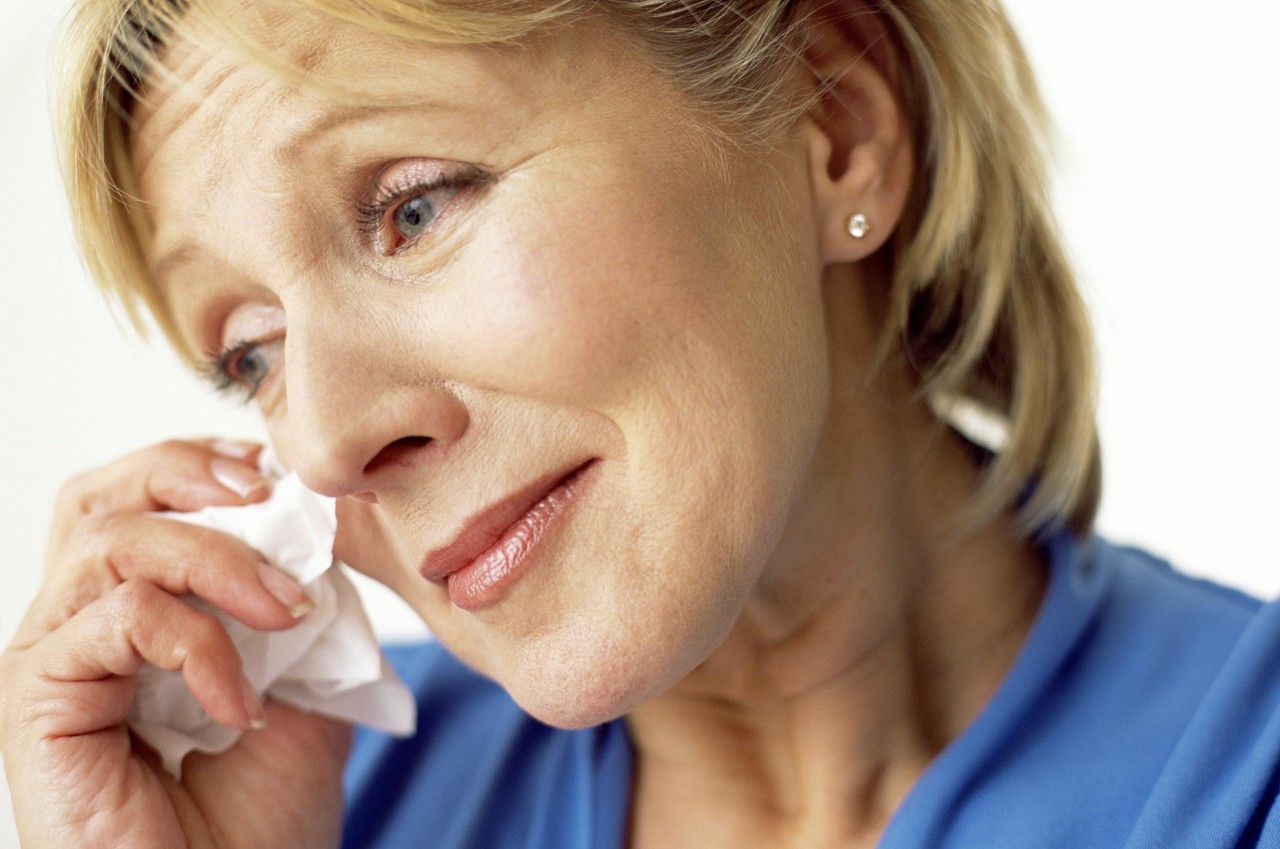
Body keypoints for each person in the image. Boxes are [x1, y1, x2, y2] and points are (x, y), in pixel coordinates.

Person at [1, 0, 1277, 846]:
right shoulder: (320, 813)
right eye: (251, 355)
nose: (326, 439)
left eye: (414, 209)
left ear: (832, 128)